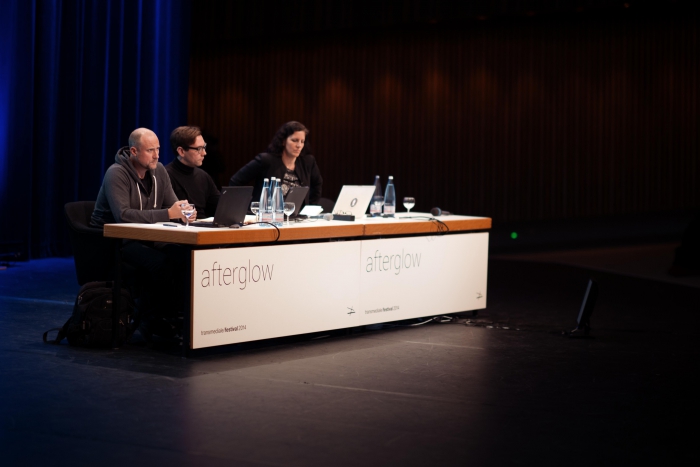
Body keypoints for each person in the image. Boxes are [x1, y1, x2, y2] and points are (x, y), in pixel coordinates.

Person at [91, 127, 194, 340]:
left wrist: (184, 211)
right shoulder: (116, 173)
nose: (157, 155)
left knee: (185, 258)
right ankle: (151, 319)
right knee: (161, 264)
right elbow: (124, 216)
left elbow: (172, 205)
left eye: (158, 149)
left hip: (147, 238)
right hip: (116, 243)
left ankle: (175, 318)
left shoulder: (159, 172)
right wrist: (168, 213)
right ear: (134, 152)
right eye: (150, 150)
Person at [229, 121, 322, 206]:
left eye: (302, 141)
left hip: (296, 218)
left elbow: (317, 185)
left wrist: (309, 208)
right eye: (294, 140)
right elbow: (236, 181)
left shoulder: (308, 162)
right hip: (267, 218)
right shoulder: (266, 160)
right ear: (283, 141)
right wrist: (247, 207)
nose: (299, 145)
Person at [165, 126, 220, 218]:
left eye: (204, 147)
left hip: (202, 228)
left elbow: (220, 204)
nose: (204, 153)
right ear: (181, 151)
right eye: (199, 149)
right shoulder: (166, 175)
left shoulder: (203, 176)